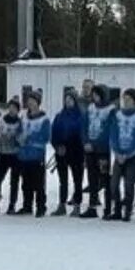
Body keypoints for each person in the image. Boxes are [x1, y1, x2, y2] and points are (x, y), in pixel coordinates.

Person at [107, 88, 135, 222]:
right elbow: (113, 134)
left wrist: (129, 154)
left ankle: (128, 210)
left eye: (129, 100)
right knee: (114, 183)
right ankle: (117, 209)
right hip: (119, 153)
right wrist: (117, 152)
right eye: (124, 99)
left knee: (129, 184)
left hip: (133, 155)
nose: (125, 102)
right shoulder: (118, 115)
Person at [49, 88, 85, 216]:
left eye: (70, 99)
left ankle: (77, 205)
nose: (68, 102)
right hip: (61, 152)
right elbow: (54, 133)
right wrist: (57, 146)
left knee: (77, 180)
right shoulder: (60, 116)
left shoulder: (81, 116)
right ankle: (62, 204)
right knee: (62, 180)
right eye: (66, 99)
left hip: (76, 152)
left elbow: (82, 135)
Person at [80, 84, 114, 219]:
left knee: (105, 178)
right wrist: (86, 142)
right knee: (92, 178)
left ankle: (108, 207)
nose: (94, 97)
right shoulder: (91, 108)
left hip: (103, 150)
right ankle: (92, 206)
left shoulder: (111, 110)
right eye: (93, 95)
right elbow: (84, 126)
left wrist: (97, 144)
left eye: (97, 95)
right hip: (90, 149)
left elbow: (109, 130)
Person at [16, 89, 50, 217]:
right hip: (24, 155)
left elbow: (46, 136)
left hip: (37, 156)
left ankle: (41, 206)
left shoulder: (44, 119)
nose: (30, 103)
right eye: (29, 100)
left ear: (37, 103)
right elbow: (19, 131)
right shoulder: (24, 117)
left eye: (32, 100)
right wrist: (19, 138)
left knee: (39, 183)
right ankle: (27, 205)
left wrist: (30, 137)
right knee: (26, 183)